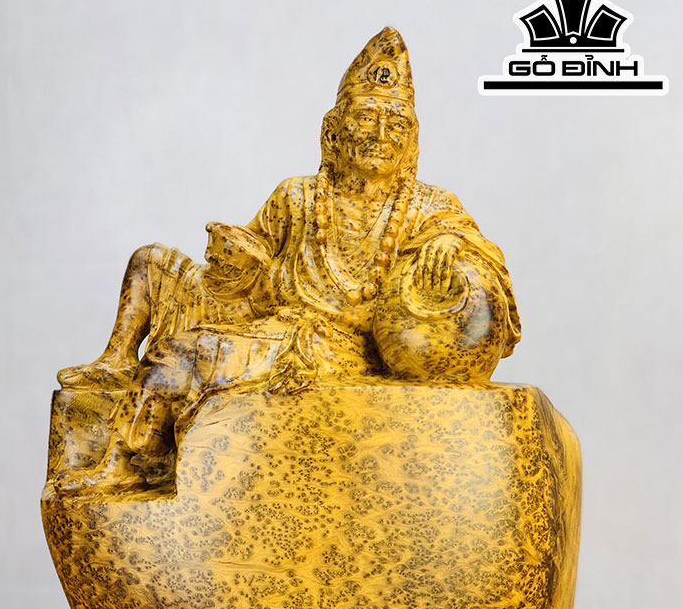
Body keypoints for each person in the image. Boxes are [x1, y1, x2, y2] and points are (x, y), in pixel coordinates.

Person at [56, 27, 520, 495]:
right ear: (333, 130)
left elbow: (485, 262)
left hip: (335, 351)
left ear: (412, 139)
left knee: (180, 356)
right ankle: (124, 419)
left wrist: (450, 241)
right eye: (365, 118)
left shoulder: (430, 206)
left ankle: (124, 462)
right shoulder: (296, 197)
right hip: (279, 327)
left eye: (396, 124)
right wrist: (237, 257)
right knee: (156, 275)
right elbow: (246, 273)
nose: (381, 135)